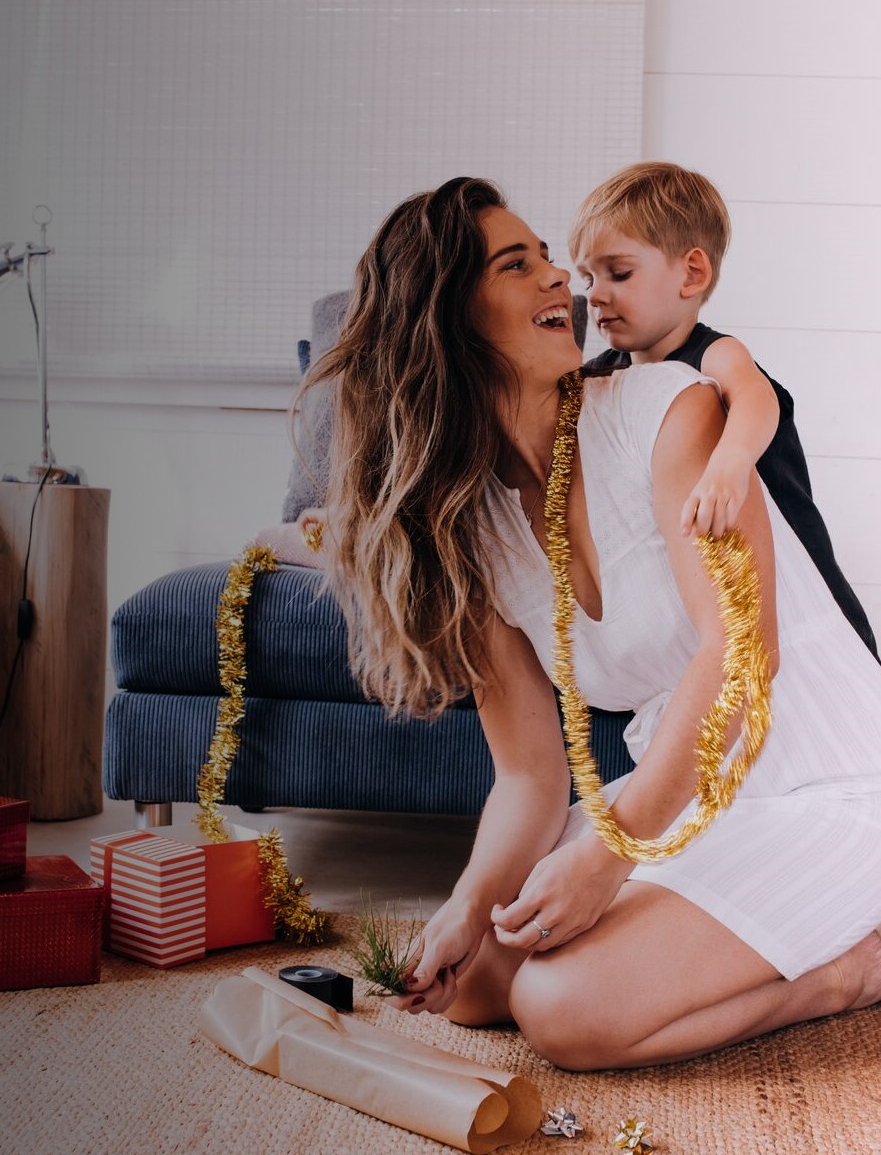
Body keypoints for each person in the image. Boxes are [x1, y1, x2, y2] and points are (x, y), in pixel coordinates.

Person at [305, 176, 881, 1070]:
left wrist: (612, 854)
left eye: (547, 259)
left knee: (562, 1009)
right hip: (692, 783)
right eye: (516, 264)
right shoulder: (474, 531)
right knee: (482, 981)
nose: (558, 283)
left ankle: (847, 974)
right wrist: (465, 901)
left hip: (822, 771)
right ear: (447, 318)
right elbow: (531, 775)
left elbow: (742, 657)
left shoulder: (666, 411)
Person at [571, 160, 876, 658]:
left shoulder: (713, 353)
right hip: (716, 600)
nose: (597, 295)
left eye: (619, 273)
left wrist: (727, 466)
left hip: (800, 589)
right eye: (588, 278)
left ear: (691, 273)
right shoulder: (604, 377)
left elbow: (757, 398)